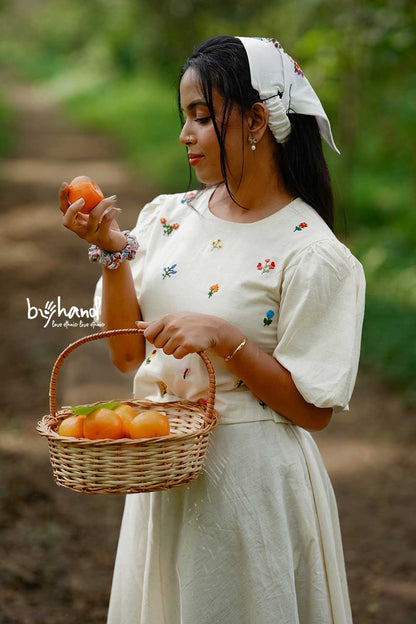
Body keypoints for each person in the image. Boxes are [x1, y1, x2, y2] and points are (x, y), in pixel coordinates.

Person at [59, 35, 365, 624]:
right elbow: (127, 356)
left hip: (251, 490)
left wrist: (227, 339)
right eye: (185, 118)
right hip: (165, 468)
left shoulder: (312, 253)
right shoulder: (169, 219)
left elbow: (313, 411)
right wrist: (112, 252)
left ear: (256, 120)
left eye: (202, 116)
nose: (186, 134)